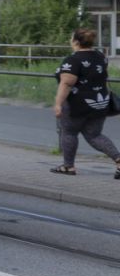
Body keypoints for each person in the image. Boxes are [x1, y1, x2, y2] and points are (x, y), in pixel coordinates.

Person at [51, 27, 120, 178]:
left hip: (77, 104)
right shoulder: (100, 56)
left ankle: (68, 167)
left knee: (69, 132)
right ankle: (119, 160)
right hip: (99, 102)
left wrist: (58, 103)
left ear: (75, 41)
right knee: (94, 135)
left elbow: (67, 83)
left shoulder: (73, 60)